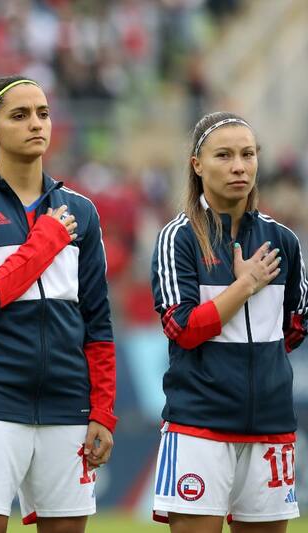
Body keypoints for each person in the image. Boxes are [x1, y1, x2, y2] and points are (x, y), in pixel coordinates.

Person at [0, 75, 117, 533]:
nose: (36, 123)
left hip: (68, 404)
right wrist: (47, 240)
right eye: (20, 115)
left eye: (43, 113)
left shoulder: (82, 210)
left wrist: (102, 411)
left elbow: (97, 323)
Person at [151, 112, 307, 532]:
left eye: (248, 154)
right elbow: (183, 331)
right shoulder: (178, 239)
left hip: (272, 427)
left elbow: (294, 328)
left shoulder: (284, 242)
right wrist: (244, 287)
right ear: (197, 164)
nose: (239, 166)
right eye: (224, 155)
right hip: (199, 426)